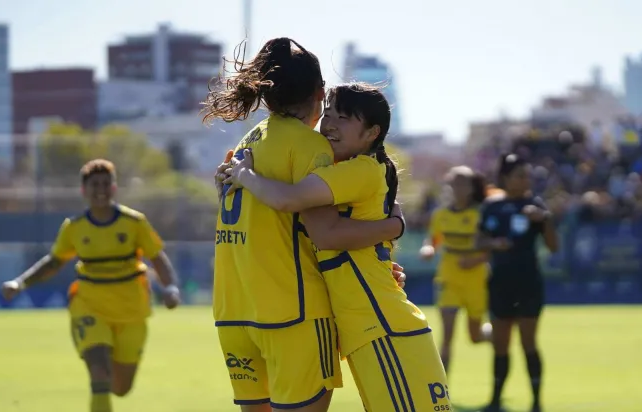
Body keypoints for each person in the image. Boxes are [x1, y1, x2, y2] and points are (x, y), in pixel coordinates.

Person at [202, 39, 408, 412]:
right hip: (289, 312)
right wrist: (393, 228)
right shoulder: (312, 147)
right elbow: (326, 232)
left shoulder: (252, 138)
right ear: (320, 92)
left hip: (234, 312)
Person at [222, 83, 450, 411]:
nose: (330, 123)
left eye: (343, 118)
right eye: (328, 113)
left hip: (382, 324)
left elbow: (298, 209)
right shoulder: (343, 170)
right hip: (369, 326)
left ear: (372, 132)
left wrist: (246, 176)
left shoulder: (359, 170)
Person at [0, 159, 181, 412]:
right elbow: (54, 262)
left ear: (114, 188)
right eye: (95, 184)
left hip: (132, 310)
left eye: (106, 184)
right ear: (84, 190)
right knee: (99, 373)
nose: (101, 189)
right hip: (89, 306)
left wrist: (170, 287)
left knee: (120, 387)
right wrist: (20, 283)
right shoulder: (74, 227)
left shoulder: (134, 222)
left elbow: (157, 257)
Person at [475, 154, 558, 412]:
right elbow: (478, 242)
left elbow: (554, 247)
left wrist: (544, 220)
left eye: (527, 175)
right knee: (500, 344)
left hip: (528, 282)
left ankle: (536, 402)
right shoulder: (492, 206)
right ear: (505, 178)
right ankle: (495, 400)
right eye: (520, 175)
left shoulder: (535, 205)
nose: (525, 180)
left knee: (528, 343)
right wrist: (494, 244)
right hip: (500, 282)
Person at [419, 166, 492, 374]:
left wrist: (475, 260)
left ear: (471, 187)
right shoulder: (441, 215)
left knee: (475, 336)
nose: (456, 187)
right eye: (453, 183)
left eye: (461, 183)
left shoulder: (481, 214)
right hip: (449, 278)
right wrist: (428, 249)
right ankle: (443, 393)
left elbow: (492, 248)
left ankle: (497, 335)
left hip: (476, 280)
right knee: (447, 336)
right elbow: (433, 239)